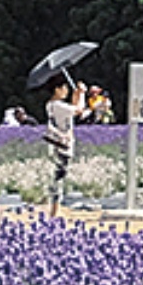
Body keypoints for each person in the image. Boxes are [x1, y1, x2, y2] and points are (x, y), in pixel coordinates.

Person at [44, 79, 81, 212]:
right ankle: (54, 211)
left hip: (57, 144)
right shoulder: (58, 105)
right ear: (57, 89)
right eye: (64, 87)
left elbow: (72, 109)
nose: (66, 90)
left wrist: (77, 95)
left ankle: (54, 210)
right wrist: (81, 94)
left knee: (58, 177)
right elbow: (78, 110)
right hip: (62, 145)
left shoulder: (51, 105)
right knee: (58, 177)